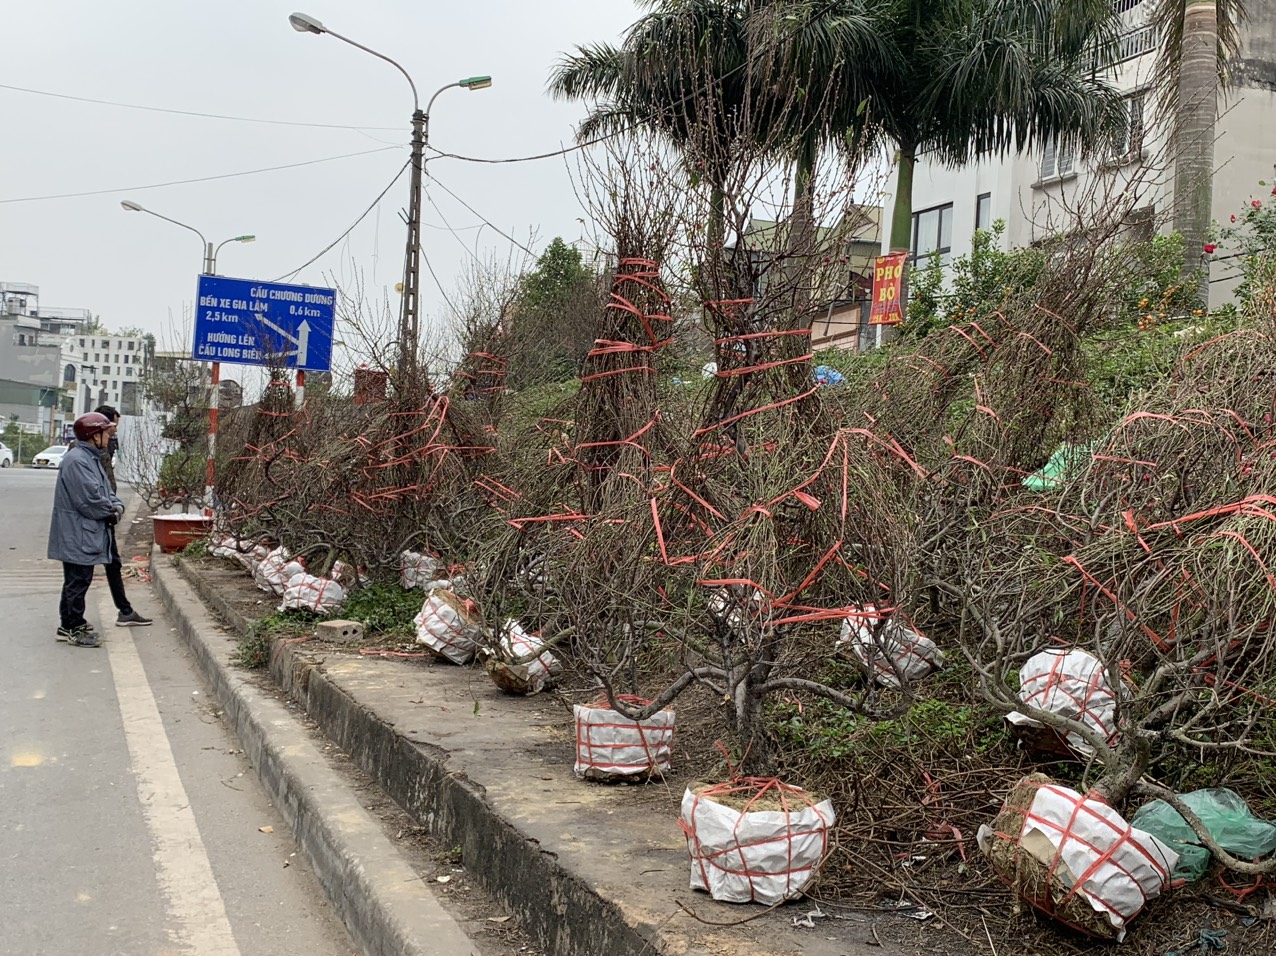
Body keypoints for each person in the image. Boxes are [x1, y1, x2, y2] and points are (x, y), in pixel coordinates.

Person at [47, 412, 151, 647]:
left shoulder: (89, 458)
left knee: (76, 579)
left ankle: (69, 624)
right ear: (94, 436)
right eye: (106, 433)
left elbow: (105, 491)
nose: (109, 437)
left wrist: (116, 505)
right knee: (78, 580)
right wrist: (111, 511)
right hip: (78, 532)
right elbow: (90, 499)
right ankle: (73, 627)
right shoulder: (78, 460)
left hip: (83, 531)